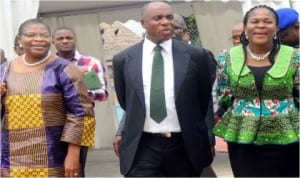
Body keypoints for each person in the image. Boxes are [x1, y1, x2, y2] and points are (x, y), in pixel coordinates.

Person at [112, 1, 213, 177]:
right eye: (158, 18)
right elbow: (127, 101)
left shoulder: (196, 56)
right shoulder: (124, 59)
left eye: (169, 17)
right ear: (143, 23)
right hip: (143, 146)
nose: (165, 22)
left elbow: (202, 100)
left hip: (184, 145)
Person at [0, 18, 95, 177]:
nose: (38, 39)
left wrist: (73, 155)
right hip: (12, 159)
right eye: (31, 35)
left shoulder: (65, 69)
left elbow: (82, 115)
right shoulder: (4, 71)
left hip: (55, 157)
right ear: (19, 40)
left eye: (44, 35)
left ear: (50, 40)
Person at [213, 5, 299, 177]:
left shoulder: (294, 56)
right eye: (255, 21)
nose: (261, 26)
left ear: (276, 28)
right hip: (243, 137)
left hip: (287, 136)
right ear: (246, 28)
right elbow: (224, 95)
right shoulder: (227, 58)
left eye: (267, 21)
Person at [52, 26, 108, 175]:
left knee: (76, 168)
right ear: (53, 42)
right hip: (52, 123)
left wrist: (78, 93)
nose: (65, 41)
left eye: (68, 38)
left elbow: (103, 93)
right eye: (60, 38)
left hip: (82, 121)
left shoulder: (91, 63)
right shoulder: (48, 65)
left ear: (75, 40)